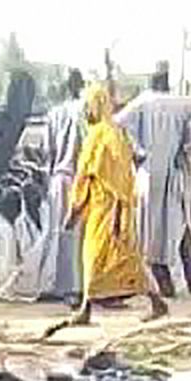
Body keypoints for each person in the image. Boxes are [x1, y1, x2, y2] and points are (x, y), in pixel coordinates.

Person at [66, 82, 167, 325]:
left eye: (88, 107)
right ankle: (88, 308)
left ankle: (155, 301)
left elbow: (86, 176)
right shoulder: (117, 133)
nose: (86, 112)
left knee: (97, 257)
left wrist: (74, 210)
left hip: (104, 209)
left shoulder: (97, 136)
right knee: (122, 257)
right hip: (120, 207)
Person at [116, 63, 191, 297]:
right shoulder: (183, 103)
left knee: (152, 231)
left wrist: (137, 152)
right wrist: (188, 151)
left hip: (150, 176)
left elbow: (117, 125)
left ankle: (165, 284)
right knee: (181, 227)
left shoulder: (142, 102)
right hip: (175, 173)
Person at [36, 69, 89, 302]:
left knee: (56, 233)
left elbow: (46, 150)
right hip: (78, 177)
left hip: (57, 177)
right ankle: (74, 288)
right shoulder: (85, 112)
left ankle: (54, 284)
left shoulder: (54, 113)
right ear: (81, 86)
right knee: (77, 235)